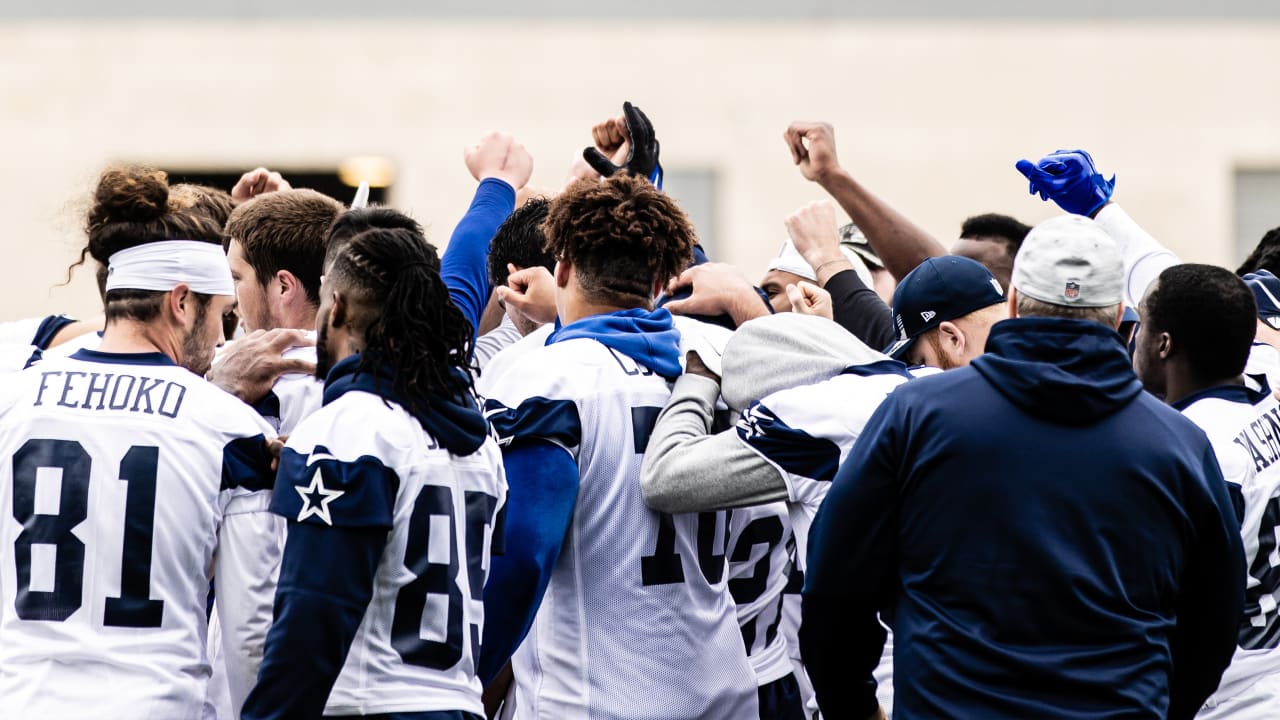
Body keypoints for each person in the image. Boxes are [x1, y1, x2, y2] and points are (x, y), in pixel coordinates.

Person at [802, 214, 1246, 720]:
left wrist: (855, 709)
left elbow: (835, 592)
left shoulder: (917, 418)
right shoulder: (1180, 445)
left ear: (1013, 306)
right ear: (1121, 314)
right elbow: (1215, 620)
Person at [0, 166, 279, 718]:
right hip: (156, 701)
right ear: (181, 303)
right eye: (222, 315)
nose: (225, 338)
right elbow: (250, 626)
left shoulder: (12, 398)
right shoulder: (229, 428)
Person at [479, 173, 758, 718]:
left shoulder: (540, 370)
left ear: (560, 268)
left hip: (593, 698)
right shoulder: (723, 353)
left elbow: (527, 549)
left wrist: (469, 675)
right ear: (661, 279)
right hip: (724, 684)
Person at [242, 225, 505, 719]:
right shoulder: (481, 439)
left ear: (336, 306)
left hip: (371, 702)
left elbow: (315, 612)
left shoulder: (350, 427)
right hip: (457, 701)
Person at [1131, 264, 1280, 718]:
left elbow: (1162, 595)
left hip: (1229, 696)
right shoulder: (1268, 402)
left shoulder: (1191, 446)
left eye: (1142, 327)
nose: (1132, 339)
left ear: (1163, 345)